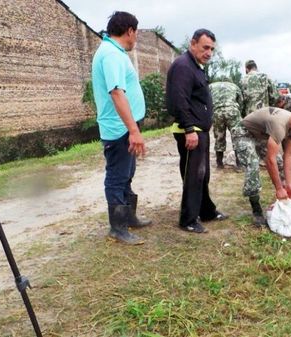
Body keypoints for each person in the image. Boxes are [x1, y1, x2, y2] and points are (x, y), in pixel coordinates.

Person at [91, 11, 151, 245]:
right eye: (136, 33)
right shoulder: (111, 55)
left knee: (126, 174)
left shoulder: (113, 52)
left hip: (124, 126)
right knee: (117, 176)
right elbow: (116, 93)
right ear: (130, 31)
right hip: (118, 129)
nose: (135, 39)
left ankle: (129, 217)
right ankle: (118, 228)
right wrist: (134, 130)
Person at [165, 28, 228, 234]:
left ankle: (207, 211)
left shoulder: (196, 66)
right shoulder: (183, 66)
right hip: (190, 130)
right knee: (194, 175)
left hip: (200, 130)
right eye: (205, 47)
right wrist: (189, 129)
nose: (209, 52)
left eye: (211, 49)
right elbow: (179, 100)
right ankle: (188, 219)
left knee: (203, 174)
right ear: (193, 44)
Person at [234, 106, 291, 226]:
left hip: (261, 135)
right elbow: (270, 160)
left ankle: (285, 199)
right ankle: (256, 210)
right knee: (253, 164)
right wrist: (278, 188)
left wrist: (289, 183)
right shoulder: (279, 125)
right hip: (244, 132)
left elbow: (289, 155)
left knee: (279, 163)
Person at [209, 79, 243, 169]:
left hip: (217, 112)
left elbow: (206, 100)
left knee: (219, 137)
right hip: (233, 111)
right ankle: (239, 164)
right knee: (237, 137)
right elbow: (241, 101)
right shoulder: (234, 86)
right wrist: (240, 112)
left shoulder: (211, 86)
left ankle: (219, 163)